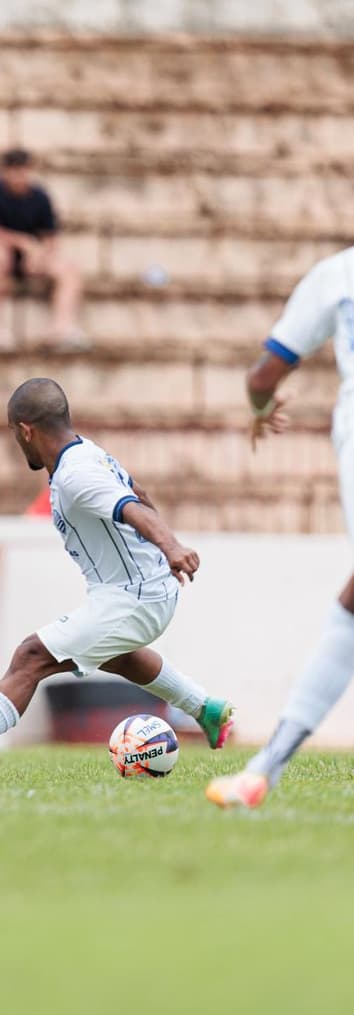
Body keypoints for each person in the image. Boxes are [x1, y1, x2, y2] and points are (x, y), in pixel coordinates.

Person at [0, 378, 234, 778]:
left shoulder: (74, 475)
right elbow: (136, 492)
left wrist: (170, 546)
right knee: (116, 654)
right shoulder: (87, 452)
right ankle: (205, 708)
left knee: (31, 657)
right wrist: (160, 552)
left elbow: (131, 507)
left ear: (25, 430)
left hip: (136, 597)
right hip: (135, 591)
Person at [206, 248, 354, 808]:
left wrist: (259, 408)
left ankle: (265, 766)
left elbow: (264, 374)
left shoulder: (337, 273)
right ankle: (265, 767)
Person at [0, 148, 87, 352]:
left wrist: (40, 255)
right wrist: (21, 242)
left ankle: (62, 327)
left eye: (22, 171)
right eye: (13, 171)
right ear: (4, 172)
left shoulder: (40, 196)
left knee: (70, 269)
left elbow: (51, 236)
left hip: (28, 257)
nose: (18, 177)